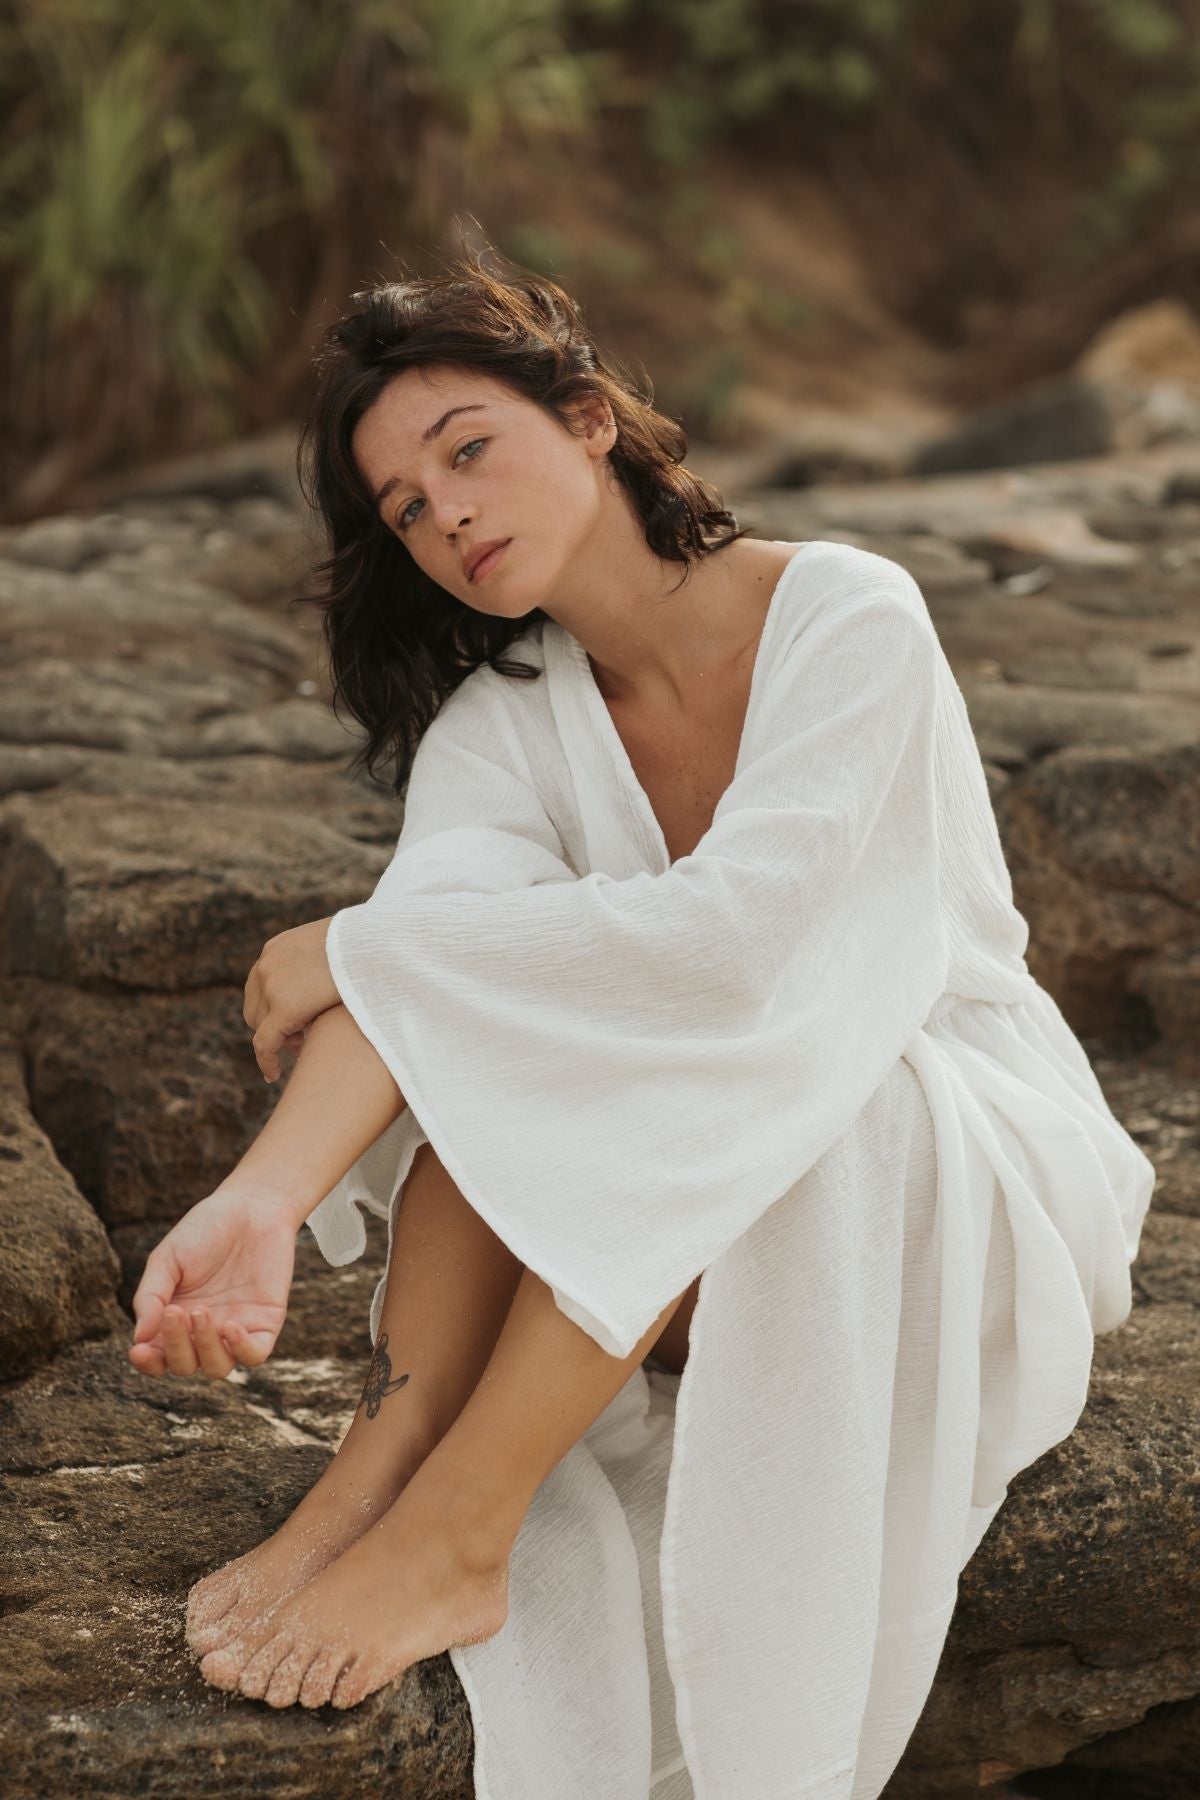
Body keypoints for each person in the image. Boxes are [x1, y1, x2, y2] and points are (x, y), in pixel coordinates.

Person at [128, 251, 1156, 1798]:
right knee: (505, 1058)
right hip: (689, 1236)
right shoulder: (505, 716)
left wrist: (357, 937)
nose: (448, 513)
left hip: (948, 1169)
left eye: (468, 448)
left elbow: (742, 954)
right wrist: (264, 1197)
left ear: (591, 419)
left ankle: (467, 1530)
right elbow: (431, 991)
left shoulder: (846, 617)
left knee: (770, 1088)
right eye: (405, 507)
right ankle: (372, 1483)